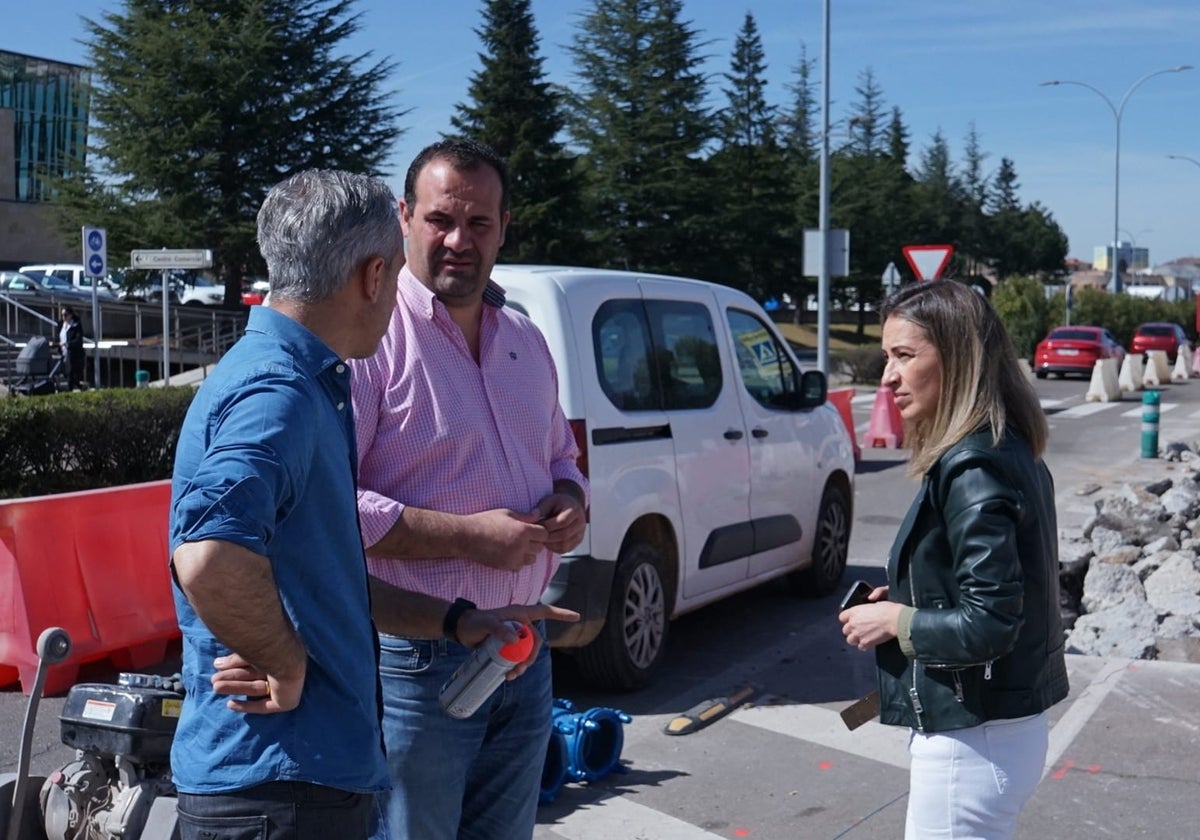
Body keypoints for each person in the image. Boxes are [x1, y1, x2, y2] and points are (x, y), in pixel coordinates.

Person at [350, 138, 589, 840]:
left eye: (479, 224)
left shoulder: (525, 336)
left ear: (504, 227)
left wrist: (571, 501)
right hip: (419, 655)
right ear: (404, 217)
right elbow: (331, 504)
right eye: (440, 220)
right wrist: (469, 536)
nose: (459, 240)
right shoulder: (372, 337)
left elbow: (563, 458)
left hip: (524, 644)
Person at [168, 169, 405, 839]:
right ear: (374, 274)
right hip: (282, 793)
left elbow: (317, 583)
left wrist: (457, 620)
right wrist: (285, 660)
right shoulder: (282, 392)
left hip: (283, 788)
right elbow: (212, 556)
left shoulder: (285, 376)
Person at [838, 280, 1069, 840]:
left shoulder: (972, 467)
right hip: (996, 729)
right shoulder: (1006, 446)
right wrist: (908, 601)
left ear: (959, 360)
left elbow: (990, 621)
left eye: (904, 356)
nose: (887, 375)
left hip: (973, 738)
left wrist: (898, 620)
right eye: (887, 355)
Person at [56, 305, 85, 390]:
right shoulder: (60, 324)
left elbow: (78, 339)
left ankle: (70, 390)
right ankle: (79, 386)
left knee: (71, 373)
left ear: (70, 315)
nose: (63, 317)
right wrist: (55, 343)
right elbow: (58, 337)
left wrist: (68, 344)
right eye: (62, 315)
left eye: (65, 315)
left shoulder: (76, 325)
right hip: (63, 352)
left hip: (73, 354)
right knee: (66, 373)